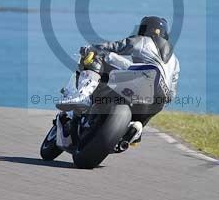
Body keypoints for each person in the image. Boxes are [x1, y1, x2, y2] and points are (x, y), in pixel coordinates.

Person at [54, 16, 180, 147]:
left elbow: (117, 46)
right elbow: (171, 95)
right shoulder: (175, 62)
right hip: (157, 101)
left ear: (145, 29)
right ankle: (135, 129)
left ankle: (84, 96)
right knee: (140, 118)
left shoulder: (143, 40)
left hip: (143, 78)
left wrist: (92, 48)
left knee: (98, 56)